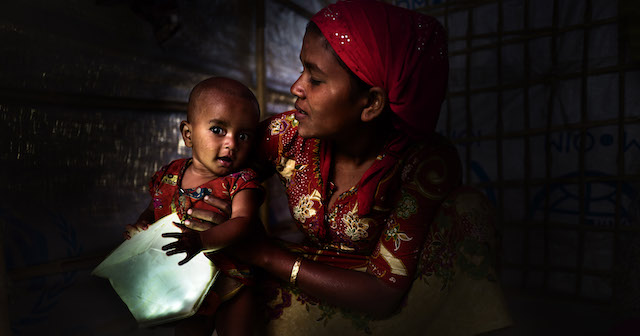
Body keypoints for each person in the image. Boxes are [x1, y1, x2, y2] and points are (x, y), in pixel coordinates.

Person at [184, 1, 512, 335]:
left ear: (371, 103)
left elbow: (384, 293)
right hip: (308, 273)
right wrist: (216, 215)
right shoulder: (288, 135)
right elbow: (212, 176)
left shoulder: (425, 164)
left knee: (470, 208)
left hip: (391, 300)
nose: (297, 87)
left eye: (315, 78)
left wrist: (265, 255)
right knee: (228, 285)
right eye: (302, 71)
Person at [124, 76, 264, 336]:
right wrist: (143, 225)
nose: (231, 143)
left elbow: (242, 223)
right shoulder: (170, 174)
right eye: (218, 130)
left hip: (232, 278)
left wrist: (202, 241)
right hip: (185, 281)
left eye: (243, 135)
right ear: (188, 134)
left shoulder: (242, 181)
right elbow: (155, 207)